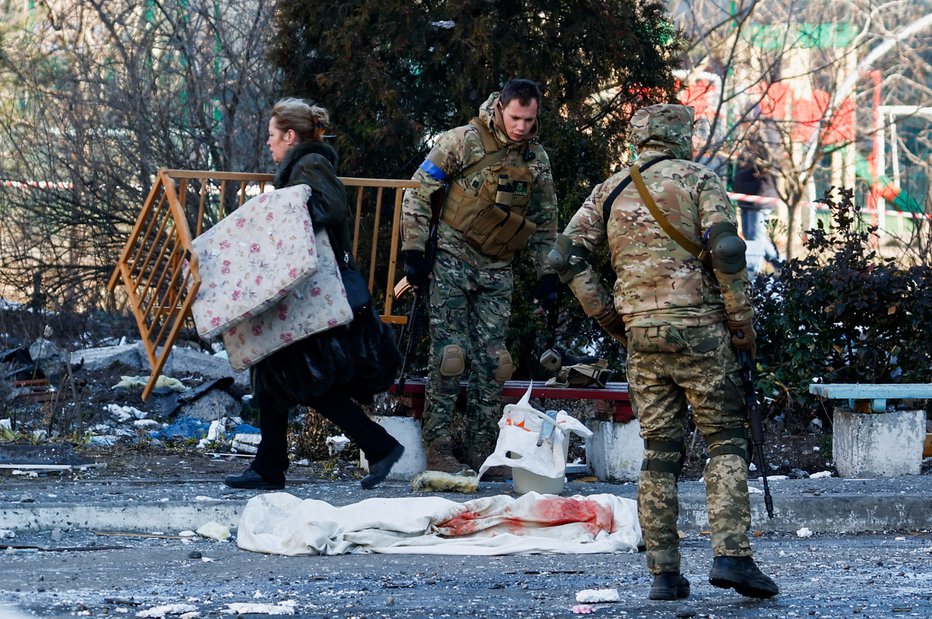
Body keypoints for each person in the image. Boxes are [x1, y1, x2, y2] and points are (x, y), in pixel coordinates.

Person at [552, 103, 779, 600]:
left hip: (640, 335)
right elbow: (726, 249)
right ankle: (733, 558)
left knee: (658, 452)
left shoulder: (609, 189)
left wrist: (609, 317)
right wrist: (741, 324)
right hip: (700, 330)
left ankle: (665, 574)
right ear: (681, 136)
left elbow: (563, 254)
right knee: (724, 440)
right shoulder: (699, 180)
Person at [225, 98, 404, 491]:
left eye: (272, 136)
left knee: (305, 381)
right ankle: (269, 466)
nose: (269, 145)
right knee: (272, 375)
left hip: (314, 296)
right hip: (304, 295)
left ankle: (380, 445)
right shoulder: (301, 167)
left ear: (290, 136)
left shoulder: (308, 165)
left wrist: (277, 214)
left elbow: (331, 207)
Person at [400, 79, 559, 474]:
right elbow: (419, 191)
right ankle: (439, 446)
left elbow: (545, 221)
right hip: (453, 259)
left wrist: (548, 274)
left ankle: (483, 446)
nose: (522, 126)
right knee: (450, 356)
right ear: (500, 107)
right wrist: (414, 251)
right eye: (515, 117)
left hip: (497, 267)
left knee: (495, 361)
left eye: (529, 119)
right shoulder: (463, 141)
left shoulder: (536, 159)